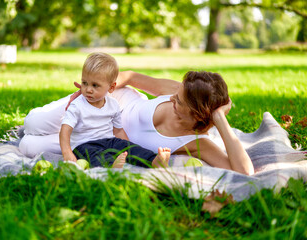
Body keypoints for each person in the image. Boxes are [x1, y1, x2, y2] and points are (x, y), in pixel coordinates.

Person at [19, 59, 254, 175]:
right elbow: (130, 77)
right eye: (176, 93)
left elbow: (245, 173)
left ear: (197, 115)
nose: (173, 98)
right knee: (31, 123)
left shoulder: (196, 143)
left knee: (28, 145)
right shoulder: (180, 90)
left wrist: (221, 119)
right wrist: (96, 92)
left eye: (179, 102)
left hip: (102, 137)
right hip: (108, 102)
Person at [59, 52, 171, 168]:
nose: (88, 89)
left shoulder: (113, 104)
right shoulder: (77, 105)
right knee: (94, 156)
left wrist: (127, 147)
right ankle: (111, 166)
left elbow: (118, 131)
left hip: (109, 141)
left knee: (131, 148)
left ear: (111, 87)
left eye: (95, 85)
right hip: (84, 145)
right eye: (85, 83)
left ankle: (153, 160)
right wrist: (67, 152)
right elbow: (65, 130)